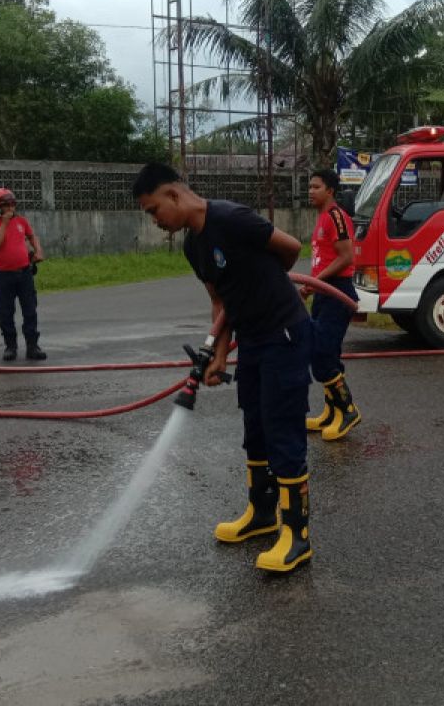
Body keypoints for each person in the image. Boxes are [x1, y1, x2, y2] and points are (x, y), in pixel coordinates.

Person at [133, 162, 314, 573]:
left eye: (153, 210)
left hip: (284, 332)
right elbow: (220, 302)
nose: (156, 221)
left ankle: (297, 534)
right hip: (251, 338)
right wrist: (219, 354)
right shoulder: (192, 246)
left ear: (174, 195)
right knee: (255, 426)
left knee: (283, 426)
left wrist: (266, 279)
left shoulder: (231, 219)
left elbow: (291, 248)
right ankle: (263, 514)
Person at [302, 170, 361, 440]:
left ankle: (348, 410)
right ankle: (331, 413)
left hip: (337, 293)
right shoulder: (322, 218)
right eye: (309, 186)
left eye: (316, 187)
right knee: (324, 353)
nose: (310, 191)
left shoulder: (336, 216)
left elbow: (346, 257)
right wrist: (313, 285)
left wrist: (314, 282)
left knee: (322, 352)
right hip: (324, 292)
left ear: (330, 191)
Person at [0, 188, 47, 362]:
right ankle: (10, 346)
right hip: (3, 275)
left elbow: (32, 236)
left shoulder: (22, 221)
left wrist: (38, 250)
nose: (11, 207)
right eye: (7, 204)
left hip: (24, 273)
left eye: (12, 203)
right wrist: (4, 223)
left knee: (30, 309)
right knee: (4, 311)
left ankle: (33, 346)